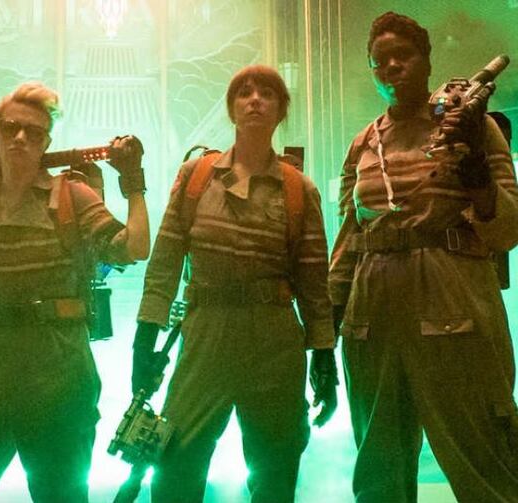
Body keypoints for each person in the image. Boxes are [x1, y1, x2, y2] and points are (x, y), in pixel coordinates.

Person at [0, 81, 149, 502]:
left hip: (58, 369)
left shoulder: (72, 196)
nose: (20, 138)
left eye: (33, 132)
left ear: (46, 143)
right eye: (10, 128)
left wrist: (134, 183)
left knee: (60, 496)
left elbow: (134, 248)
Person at [329, 11, 518, 502]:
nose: (392, 67)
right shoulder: (362, 143)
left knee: (485, 457)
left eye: (404, 55)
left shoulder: (474, 127)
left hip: (452, 300)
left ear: (427, 60)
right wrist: (325, 328)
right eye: (380, 61)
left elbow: (508, 229)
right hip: (372, 312)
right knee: (379, 467)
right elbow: (349, 239)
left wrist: (476, 175)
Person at [134, 65, 337, 502]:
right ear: (231, 109)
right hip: (205, 332)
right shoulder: (196, 176)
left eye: (267, 93)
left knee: (275, 470)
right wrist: (144, 337)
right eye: (244, 92)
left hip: (274, 340)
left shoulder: (298, 189)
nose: (255, 100)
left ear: (281, 109)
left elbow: (313, 282)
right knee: (174, 467)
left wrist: (324, 355)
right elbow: (165, 261)